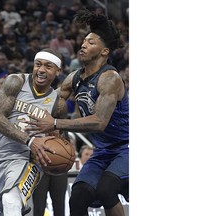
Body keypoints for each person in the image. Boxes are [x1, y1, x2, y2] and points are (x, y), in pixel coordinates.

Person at [25, 9, 129, 216]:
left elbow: (99, 122)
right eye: (83, 41)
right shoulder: (74, 77)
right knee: (78, 196)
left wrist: (55, 124)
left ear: (104, 51)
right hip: (103, 151)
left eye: (91, 42)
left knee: (107, 189)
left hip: (127, 148)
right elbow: (54, 102)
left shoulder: (110, 78)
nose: (83, 45)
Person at [0, 48, 68, 216]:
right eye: (38, 64)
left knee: (11, 200)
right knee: (4, 209)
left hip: (27, 160)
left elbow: (59, 139)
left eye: (48, 66)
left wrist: (57, 153)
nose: (41, 70)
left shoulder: (58, 105)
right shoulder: (16, 82)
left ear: (58, 71)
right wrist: (29, 140)